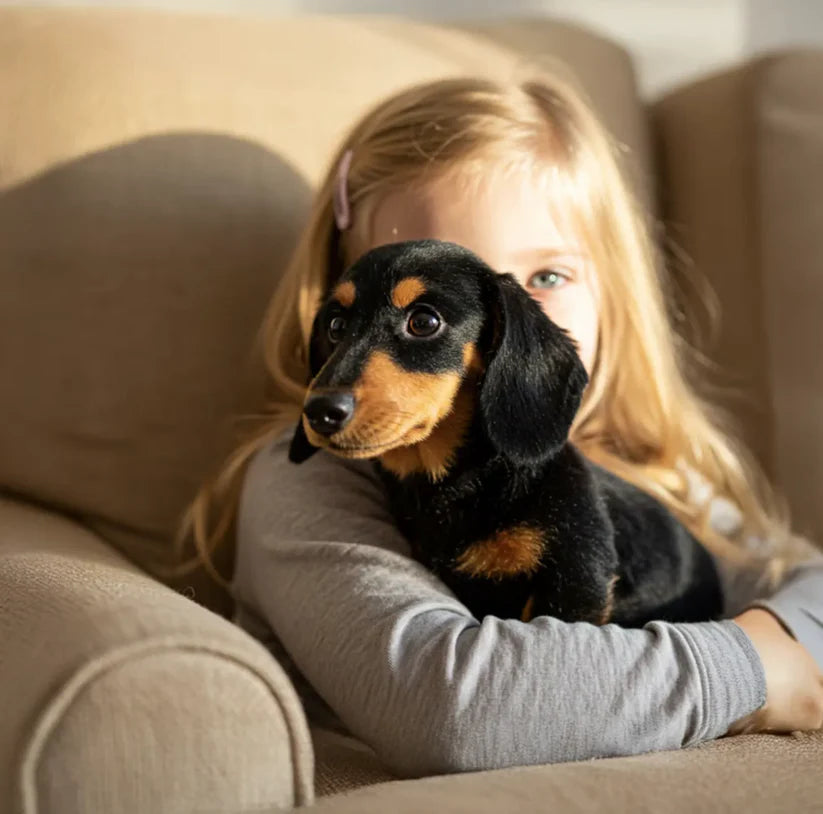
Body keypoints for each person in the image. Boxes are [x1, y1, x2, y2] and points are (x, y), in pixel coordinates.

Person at [182, 75, 823, 778]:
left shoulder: (645, 469)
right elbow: (447, 708)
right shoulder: (308, 484)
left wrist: (775, 630)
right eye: (430, 314)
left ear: (613, 294)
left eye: (547, 277)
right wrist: (752, 671)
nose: (505, 328)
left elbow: (805, 579)